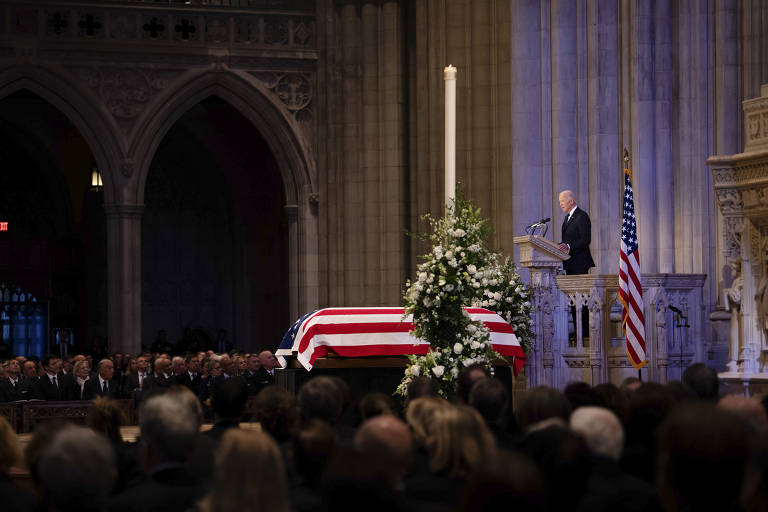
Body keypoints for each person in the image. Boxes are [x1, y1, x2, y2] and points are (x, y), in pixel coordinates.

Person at [557, 190, 595, 275]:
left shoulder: (581, 216)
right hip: (569, 262)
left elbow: (586, 240)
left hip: (579, 263)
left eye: (562, 201)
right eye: (559, 202)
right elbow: (567, 240)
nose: (560, 204)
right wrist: (557, 246)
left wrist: (568, 246)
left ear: (571, 201)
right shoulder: (567, 217)